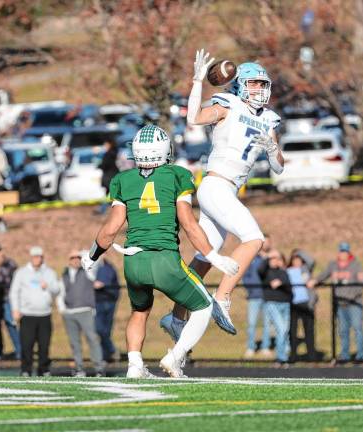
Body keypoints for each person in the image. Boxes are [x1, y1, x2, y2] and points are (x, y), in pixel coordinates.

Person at [81, 124, 239, 378]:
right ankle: (175, 358)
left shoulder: (122, 179)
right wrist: (213, 256)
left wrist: (91, 256)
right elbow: (188, 224)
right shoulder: (177, 175)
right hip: (163, 257)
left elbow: (110, 230)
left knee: (139, 311)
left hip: (133, 261)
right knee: (204, 306)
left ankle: (134, 365)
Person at [161, 49, 284, 337]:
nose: (260, 89)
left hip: (228, 191)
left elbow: (278, 168)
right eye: (254, 83)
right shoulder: (228, 104)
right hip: (215, 185)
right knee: (254, 239)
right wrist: (196, 82)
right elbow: (193, 118)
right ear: (240, 85)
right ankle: (223, 296)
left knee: (205, 258)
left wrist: (272, 149)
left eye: (263, 84)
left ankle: (176, 317)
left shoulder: (269, 119)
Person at [308, 242, 363, 363]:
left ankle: (360, 355)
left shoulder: (356, 265)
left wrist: (351, 296)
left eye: (344, 251)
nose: (342, 254)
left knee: (357, 329)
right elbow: (323, 275)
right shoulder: (333, 265)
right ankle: (345, 355)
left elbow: (361, 283)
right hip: (340, 304)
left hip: (354, 303)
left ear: (348, 252)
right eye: (341, 251)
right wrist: (314, 281)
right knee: (342, 330)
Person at [10, 246, 59, 377]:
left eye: (40, 256)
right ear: (31, 257)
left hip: (44, 314)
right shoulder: (21, 273)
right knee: (27, 345)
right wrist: (15, 309)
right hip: (27, 314)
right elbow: (14, 292)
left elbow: (57, 289)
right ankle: (26, 370)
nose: (38, 259)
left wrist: (48, 285)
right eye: (35, 256)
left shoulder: (49, 272)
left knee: (44, 345)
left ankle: (43, 370)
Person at [57, 249, 104, 377]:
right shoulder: (64, 275)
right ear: (69, 261)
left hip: (85, 311)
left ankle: (98, 368)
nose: (76, 260)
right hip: (69, 312)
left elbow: (96, 260)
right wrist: (62, 310)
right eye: (73, 258)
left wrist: (85, 255)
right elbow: (61, 294)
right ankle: (79, 368)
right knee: (74, 342)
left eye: (78, 257)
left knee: (92, 339)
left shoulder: (88, 272)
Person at [242, 234, 273, 359]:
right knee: (252, 323)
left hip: (268, 296)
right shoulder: (252, 257)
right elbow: (245, 275)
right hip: (254, 296)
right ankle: (251, 347)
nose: (267, 244)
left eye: (269, 242)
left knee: (267, 323)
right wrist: (251, 289)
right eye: (265, 242)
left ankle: (265, 347)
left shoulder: (272, 258)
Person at [259, 250, 292, 365]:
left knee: (284, 331)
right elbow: (260, 269)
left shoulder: (283, 272)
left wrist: (281, 282)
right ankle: (281, 357)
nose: (275, 261)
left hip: (285, 304)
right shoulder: (266, 272)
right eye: (272, 259)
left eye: (276, 259)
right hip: (272, 303)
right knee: (281, 329)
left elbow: (289, 286)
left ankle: (283, 357)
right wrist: (267, 256)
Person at [287, 250, 316, 362]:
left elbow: (312, 261)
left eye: (299, 259)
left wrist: (299, 252)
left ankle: (311, 356)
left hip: (307, 304)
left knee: (309, 331)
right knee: (293, 331)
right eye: (295, 259)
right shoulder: (288, 271)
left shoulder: (306, 269)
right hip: (293, 304)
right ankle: (293, 356)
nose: (297, 261)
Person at [94, 258, 120, 363]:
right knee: (99, 329)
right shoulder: (92, 267)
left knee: (107, 330)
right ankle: (111, 349)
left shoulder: (110, 268)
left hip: (109, 301)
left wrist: (103, 285)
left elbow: (113, 284)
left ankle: (105, 357)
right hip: (97, 302)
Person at [96, 140, 119, 214]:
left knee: (111, 194)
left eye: (106, 144)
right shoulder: (113, 153)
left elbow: (105, 165)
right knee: (111, 194)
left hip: (109, 177)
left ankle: (103, 209)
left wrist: (99, 165)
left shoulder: (108, 154)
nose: (104, 146)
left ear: (110, 145)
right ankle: (103, 209)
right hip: (112, 176)